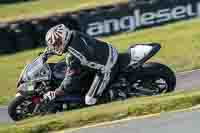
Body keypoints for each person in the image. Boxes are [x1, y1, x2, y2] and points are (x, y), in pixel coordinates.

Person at [43, 24, 118, 105]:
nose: (56, 47)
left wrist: (57, 92)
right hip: (105, 50)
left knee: (89, 100)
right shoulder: (73, 34)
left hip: (107, 65)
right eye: (54, 45)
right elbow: (58, 47)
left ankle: (113, 95)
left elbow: (70, 79)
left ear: (64, 38)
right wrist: (45, 54)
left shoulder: (73, 56)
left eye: (57, 43)